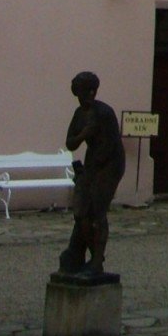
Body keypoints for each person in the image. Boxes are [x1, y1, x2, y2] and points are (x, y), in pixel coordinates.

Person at [58, 71, 127, 276]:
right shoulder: (80, 114)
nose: (87, 96)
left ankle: (96, 261)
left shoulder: (104, 112)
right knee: (81, 213)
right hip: (93, 161)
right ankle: (84, 255)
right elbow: (70, 143)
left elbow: (110, 146)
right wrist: (84, 134)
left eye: (90, 91)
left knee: (97, 210)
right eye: (82, 93)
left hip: (110, 164)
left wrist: (92, 174)